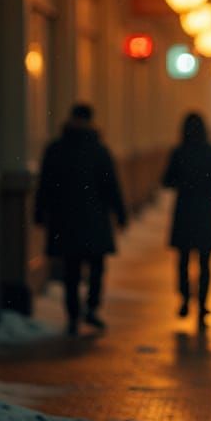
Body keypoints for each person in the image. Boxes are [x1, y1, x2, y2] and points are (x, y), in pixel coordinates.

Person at [35, 103, 127, 336]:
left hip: (65, 219)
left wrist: (39, 211)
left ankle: (73, 315)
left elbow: (45, 185)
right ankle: (91, 308)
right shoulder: (99, 150)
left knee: (71, 269)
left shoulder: (56, 149)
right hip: (95, 219)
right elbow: (111, 186)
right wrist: (121, 212)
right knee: (96, 267)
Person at [162, 112, 211, 324]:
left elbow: (166, 181)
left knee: (183, 260)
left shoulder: (178, 152)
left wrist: (184, 182)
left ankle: (185, 298)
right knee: (205, 262)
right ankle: (203, 305)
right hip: (208, 212)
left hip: (185, 211)